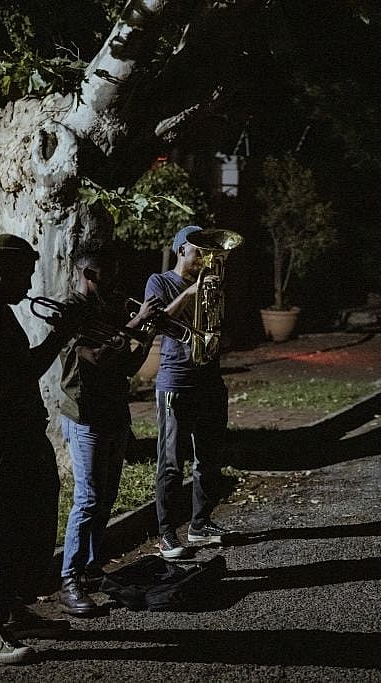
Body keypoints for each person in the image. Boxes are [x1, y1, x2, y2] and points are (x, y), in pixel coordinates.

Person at [0, 233, 79, 664]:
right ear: (2, 271)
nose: (29, 287)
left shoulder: (1, 314)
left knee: (29, 531)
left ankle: (13, 610)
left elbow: (21, 368)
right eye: (24, 275)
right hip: (2, 444)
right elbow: (14, 382)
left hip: (25, 437)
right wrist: (60, 337)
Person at [56, 241, 165, 616]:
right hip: (85, 416)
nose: (116, 281)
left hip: (114, 413)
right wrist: (134, 324)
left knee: (105, 499)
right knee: (86, 500)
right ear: (89, 275)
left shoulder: (110, 310)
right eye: (109, 275)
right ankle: (68, 580)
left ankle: (89, 566)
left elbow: (126, 367)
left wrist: (148, 335)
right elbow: (94, 358)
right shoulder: (71, 311)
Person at [145, 225, 232, 559]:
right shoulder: (160, 282)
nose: (205, 260)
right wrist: (190, 294)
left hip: (209, 380)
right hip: (176, 381)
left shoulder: (212, 284)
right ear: (181, 250)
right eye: (199, 253)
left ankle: (200, 524)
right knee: (170, 464)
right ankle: (167, 534)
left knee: (208, 459)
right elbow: (154, 323)